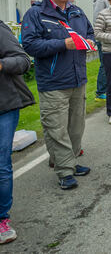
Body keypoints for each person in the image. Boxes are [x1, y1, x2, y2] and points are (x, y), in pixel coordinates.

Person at [21, 0, 94, 189]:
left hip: (78, 79)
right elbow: (30, 45)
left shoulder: (77, 12)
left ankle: (69, 161)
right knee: (57, 128)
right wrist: (63, 44)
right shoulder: (35, 14)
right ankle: (64, 170)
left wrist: (89, 42)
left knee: (75, 127)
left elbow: (89, 33)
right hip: (53, 82)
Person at [0, 20, 35, 244]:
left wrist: (2, 64)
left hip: (3, 106)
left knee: (0, 164)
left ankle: (1, 219)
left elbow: (23, 61)